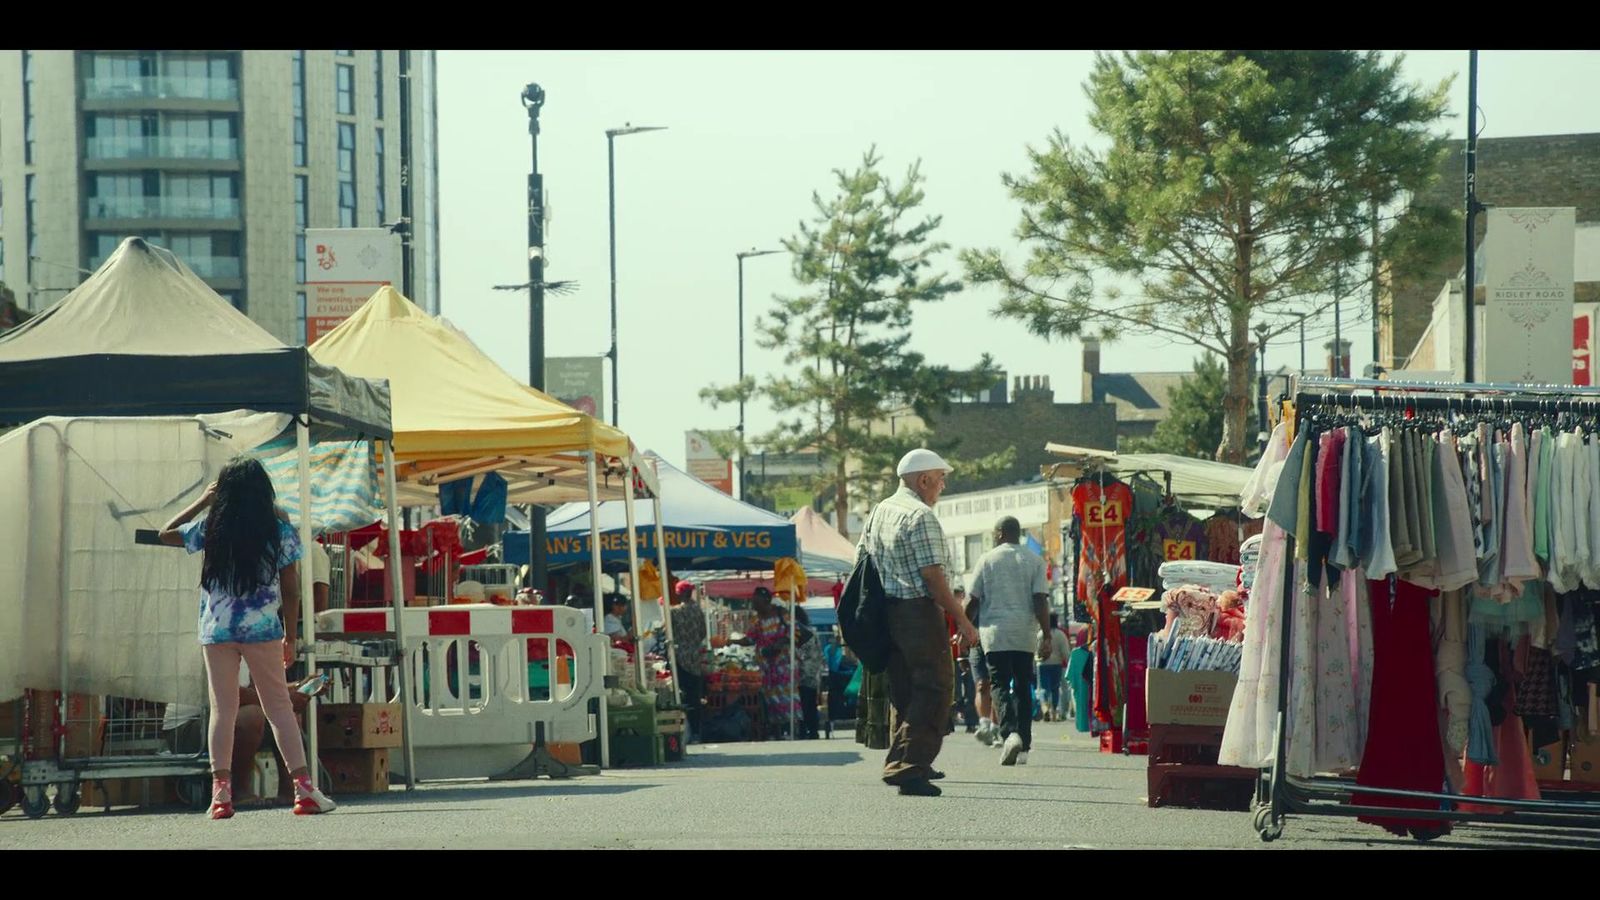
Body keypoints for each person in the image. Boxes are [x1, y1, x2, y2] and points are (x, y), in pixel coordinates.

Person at [159, 457, 337, 819]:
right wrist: (291, 634)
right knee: (279, 708)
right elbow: (291, 588)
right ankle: (304, 791)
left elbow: (165, 532)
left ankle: (220, 796)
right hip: (262, 630)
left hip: (217, 629)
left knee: (222, 711)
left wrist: (203, 501)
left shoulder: (212, 528)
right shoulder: (278, 530)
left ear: (223, 492)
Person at [856, 448, 978, 797]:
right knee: (935, 687)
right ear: (923, 479)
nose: (943, 486)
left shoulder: (880, 511)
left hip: (887, 611)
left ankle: (913, 763)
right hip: (917, 612)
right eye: (941, 479)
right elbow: (933, 578)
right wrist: (963, 620)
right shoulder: (920, 516)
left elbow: (861, 560)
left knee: (905, 689)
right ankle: (908, 765)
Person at [967, 515, 1049, 766]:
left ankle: (1009, 733)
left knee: (1000, 684)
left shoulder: (987, 559)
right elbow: (1040, 600)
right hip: (1023, 633)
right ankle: (1024, 745)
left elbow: (973, 600)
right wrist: (1046, 634)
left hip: (995, 633)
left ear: (1001, 533)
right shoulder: (1035, 561)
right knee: (1023, 688)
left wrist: (964, 626)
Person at [743, 587, 800, 738]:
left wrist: (779, 644)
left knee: (788, 697)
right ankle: (776, 730)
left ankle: (793, 728)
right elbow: (749, 639)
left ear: (766, 601)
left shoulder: (782, 614)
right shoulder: (756, 620)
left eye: (756, 602)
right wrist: (729, 641)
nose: (754, 606)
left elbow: (794, 633)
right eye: (753, 602)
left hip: (784, 665)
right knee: (770, 698)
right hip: (766, 667)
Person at [669, 580, 710, 742]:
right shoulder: (698, 611)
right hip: (695, 657)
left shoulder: (674, 613)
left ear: (680, 593)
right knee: (695, 695)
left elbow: (668, 633)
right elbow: (702, 633)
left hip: (679, 657)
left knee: (681, 695)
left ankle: (683, 730)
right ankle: (696, 732)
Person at [794, 606, 825, 739]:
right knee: (809, 704)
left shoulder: (801, 630)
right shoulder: (810, 631)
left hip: (805, 673)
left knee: (804, 704)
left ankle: (806, 731)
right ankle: (812, 730)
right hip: (813, 673)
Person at [1036, 613, 1071, 722]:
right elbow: (1066, 652)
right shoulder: (1060, 634)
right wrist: (1069, 662)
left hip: (1043, 664)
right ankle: (1054, 712)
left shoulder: (1040, 634)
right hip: (1057, 664)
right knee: (1055, 688)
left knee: (1043, 689)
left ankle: (1045, 708)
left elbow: (1036, 650)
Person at [1066, 626, 1094, 733]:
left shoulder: (1075, 654)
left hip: (1080, 684)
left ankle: (1083, 724)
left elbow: (1069, 676)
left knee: (1081, 700)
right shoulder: (1098, 651)